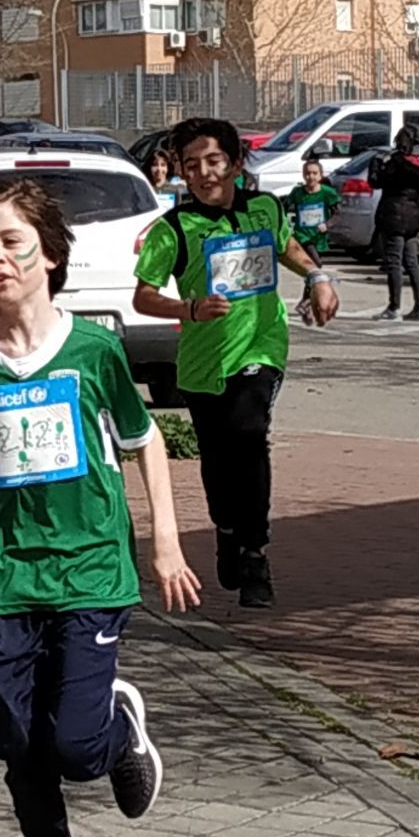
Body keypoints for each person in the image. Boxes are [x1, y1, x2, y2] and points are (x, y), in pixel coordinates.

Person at [0, 178, 202, 837]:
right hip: (4, 576)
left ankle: (119, 727)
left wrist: (166, 542)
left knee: (75, 747)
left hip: (89, 569)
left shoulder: (94, 350)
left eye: (13, 242)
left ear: (51, 254)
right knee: (18, 743)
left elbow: (144, 441)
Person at [131, 117, 340, 609]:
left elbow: (287, 247)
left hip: (261, 346)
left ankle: (254, 552)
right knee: (218, 454)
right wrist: (189, 308)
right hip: (203, 363)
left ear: (236, 163)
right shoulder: (173, 229)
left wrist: (318, 277)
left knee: (249, 434)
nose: (204, 173)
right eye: (191, 165)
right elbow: (143, 297)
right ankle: (226, 529)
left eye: (214, 161)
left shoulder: (265, 208)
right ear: (180, 172)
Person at [369, 124, 419, 322]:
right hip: (413, 213)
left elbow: (377, 181)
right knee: (412, 262)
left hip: (394, 213)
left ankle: (394, 307)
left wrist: (376, 164)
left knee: (394, 261)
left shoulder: (397, 162)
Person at [284, 159, 340, 326]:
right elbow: (284, 208)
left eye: (315, 173)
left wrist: (327, 224)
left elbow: (337, 213)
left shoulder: (327, 193)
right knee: (316, 266)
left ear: (320, 175)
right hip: (302, 236)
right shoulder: (297, 193)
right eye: (307, 173)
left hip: (317, 237)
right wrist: (287, 226)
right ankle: (306, 301)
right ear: (303, 175)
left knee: (313, 270)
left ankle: (306, 303)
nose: (311, 177)